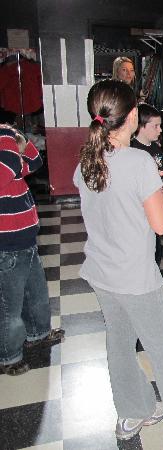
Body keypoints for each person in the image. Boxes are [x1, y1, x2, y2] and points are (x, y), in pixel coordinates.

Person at [74, 80, 163, 447]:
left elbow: (111, 202)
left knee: (118, 343)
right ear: (132, 115)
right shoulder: (139, 161)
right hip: (136, 277)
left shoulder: (87, 159)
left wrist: (148, 190)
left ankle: (133, 410)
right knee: (162, 348)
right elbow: (161, 225)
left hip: (101, 272)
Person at [0, 125, 64, 376]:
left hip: (27, 242)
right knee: (9, 307)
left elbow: (35, 162)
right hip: (7, 247)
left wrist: (21, 140)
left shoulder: (11, 160)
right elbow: (8, 165)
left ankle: (38, 334)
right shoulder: (6, 162)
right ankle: (8, 356)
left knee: (36, 294)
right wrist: (7, 134)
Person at [130, 103, 163, 268]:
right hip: (139, 209)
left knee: (155, 247)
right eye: (156, 126)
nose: (160, 130)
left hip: (156, 203)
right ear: (141, 127)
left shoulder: (157, 149)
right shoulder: (132, 150)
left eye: (160, 125)